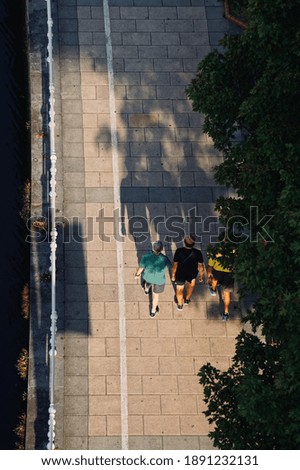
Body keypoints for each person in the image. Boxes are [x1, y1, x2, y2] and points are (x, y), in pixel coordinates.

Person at [134, 241, 171, 317]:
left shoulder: (146, 257)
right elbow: (170, 266)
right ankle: (153, 311)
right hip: (159, 280)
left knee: (147, 284)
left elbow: (141, 268)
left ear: (153, 248)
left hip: (148, 276)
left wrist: (137, 275)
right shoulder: (164, 258)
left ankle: (146, 291)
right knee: (156, 296)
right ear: (161, 249)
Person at [171, 235, 204, 311]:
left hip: (180, 273)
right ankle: (187, 299)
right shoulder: (198, 253)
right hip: (192, 273)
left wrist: (173, 275)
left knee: (179, 290)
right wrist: (201, 276)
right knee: (191, 286)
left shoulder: (179, 251)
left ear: (184, 242)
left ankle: (180, 305)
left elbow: (174, 265)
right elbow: (201, 266)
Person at [207, 253, 234, 321]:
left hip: (217, 271)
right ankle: (226, 312)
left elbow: (210, 266)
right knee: (226, 293)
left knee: (214, 280)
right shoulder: (234, 251)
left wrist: (208, 277)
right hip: (229, 272)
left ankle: (213, 290)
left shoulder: (216, 250)